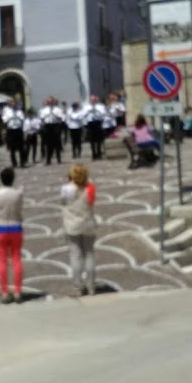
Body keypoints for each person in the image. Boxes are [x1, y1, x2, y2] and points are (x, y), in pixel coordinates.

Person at [61, 163, 97, 297]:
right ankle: (91, 286)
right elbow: (92, 202)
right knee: (89, 255)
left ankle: (78, 287)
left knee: (75, 256)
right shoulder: (90, 188)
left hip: (71, 226)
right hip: (88, 224)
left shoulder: (66, 189)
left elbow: (63, 202)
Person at [0, 166, 24, 303]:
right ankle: (17, 291)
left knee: (2, 260)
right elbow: (20, 208)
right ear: (13, 179)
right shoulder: (18, 194)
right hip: (15, 228)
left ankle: (4, 292)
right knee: (16, 259)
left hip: (0, 228)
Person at [2, 98, 26, 168]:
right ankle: (14, 163)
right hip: (11, 130)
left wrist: (16, 115)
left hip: (18, 130)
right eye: (12, 104)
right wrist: (10, 117)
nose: (13, 105)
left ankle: (22, 162)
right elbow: (4, 120)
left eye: (14, 104)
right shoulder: (7, 111)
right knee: (12, 148)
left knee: (21, 147)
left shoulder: (20, 111)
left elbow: (22, 119)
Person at [83, 94, 106, 160]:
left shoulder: (100, 106)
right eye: (91, 99)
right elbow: (83, 115)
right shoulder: (86, 107)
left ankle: (99, 153)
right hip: (90, 123)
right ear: (90, 100)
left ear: (96, 100)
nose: (93, 101)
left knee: (99, 139)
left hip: (98, 122)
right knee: (91, 140)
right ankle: (93, 154)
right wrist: (89, 111)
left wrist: (96, 110)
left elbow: (103, 114)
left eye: (94, 99)